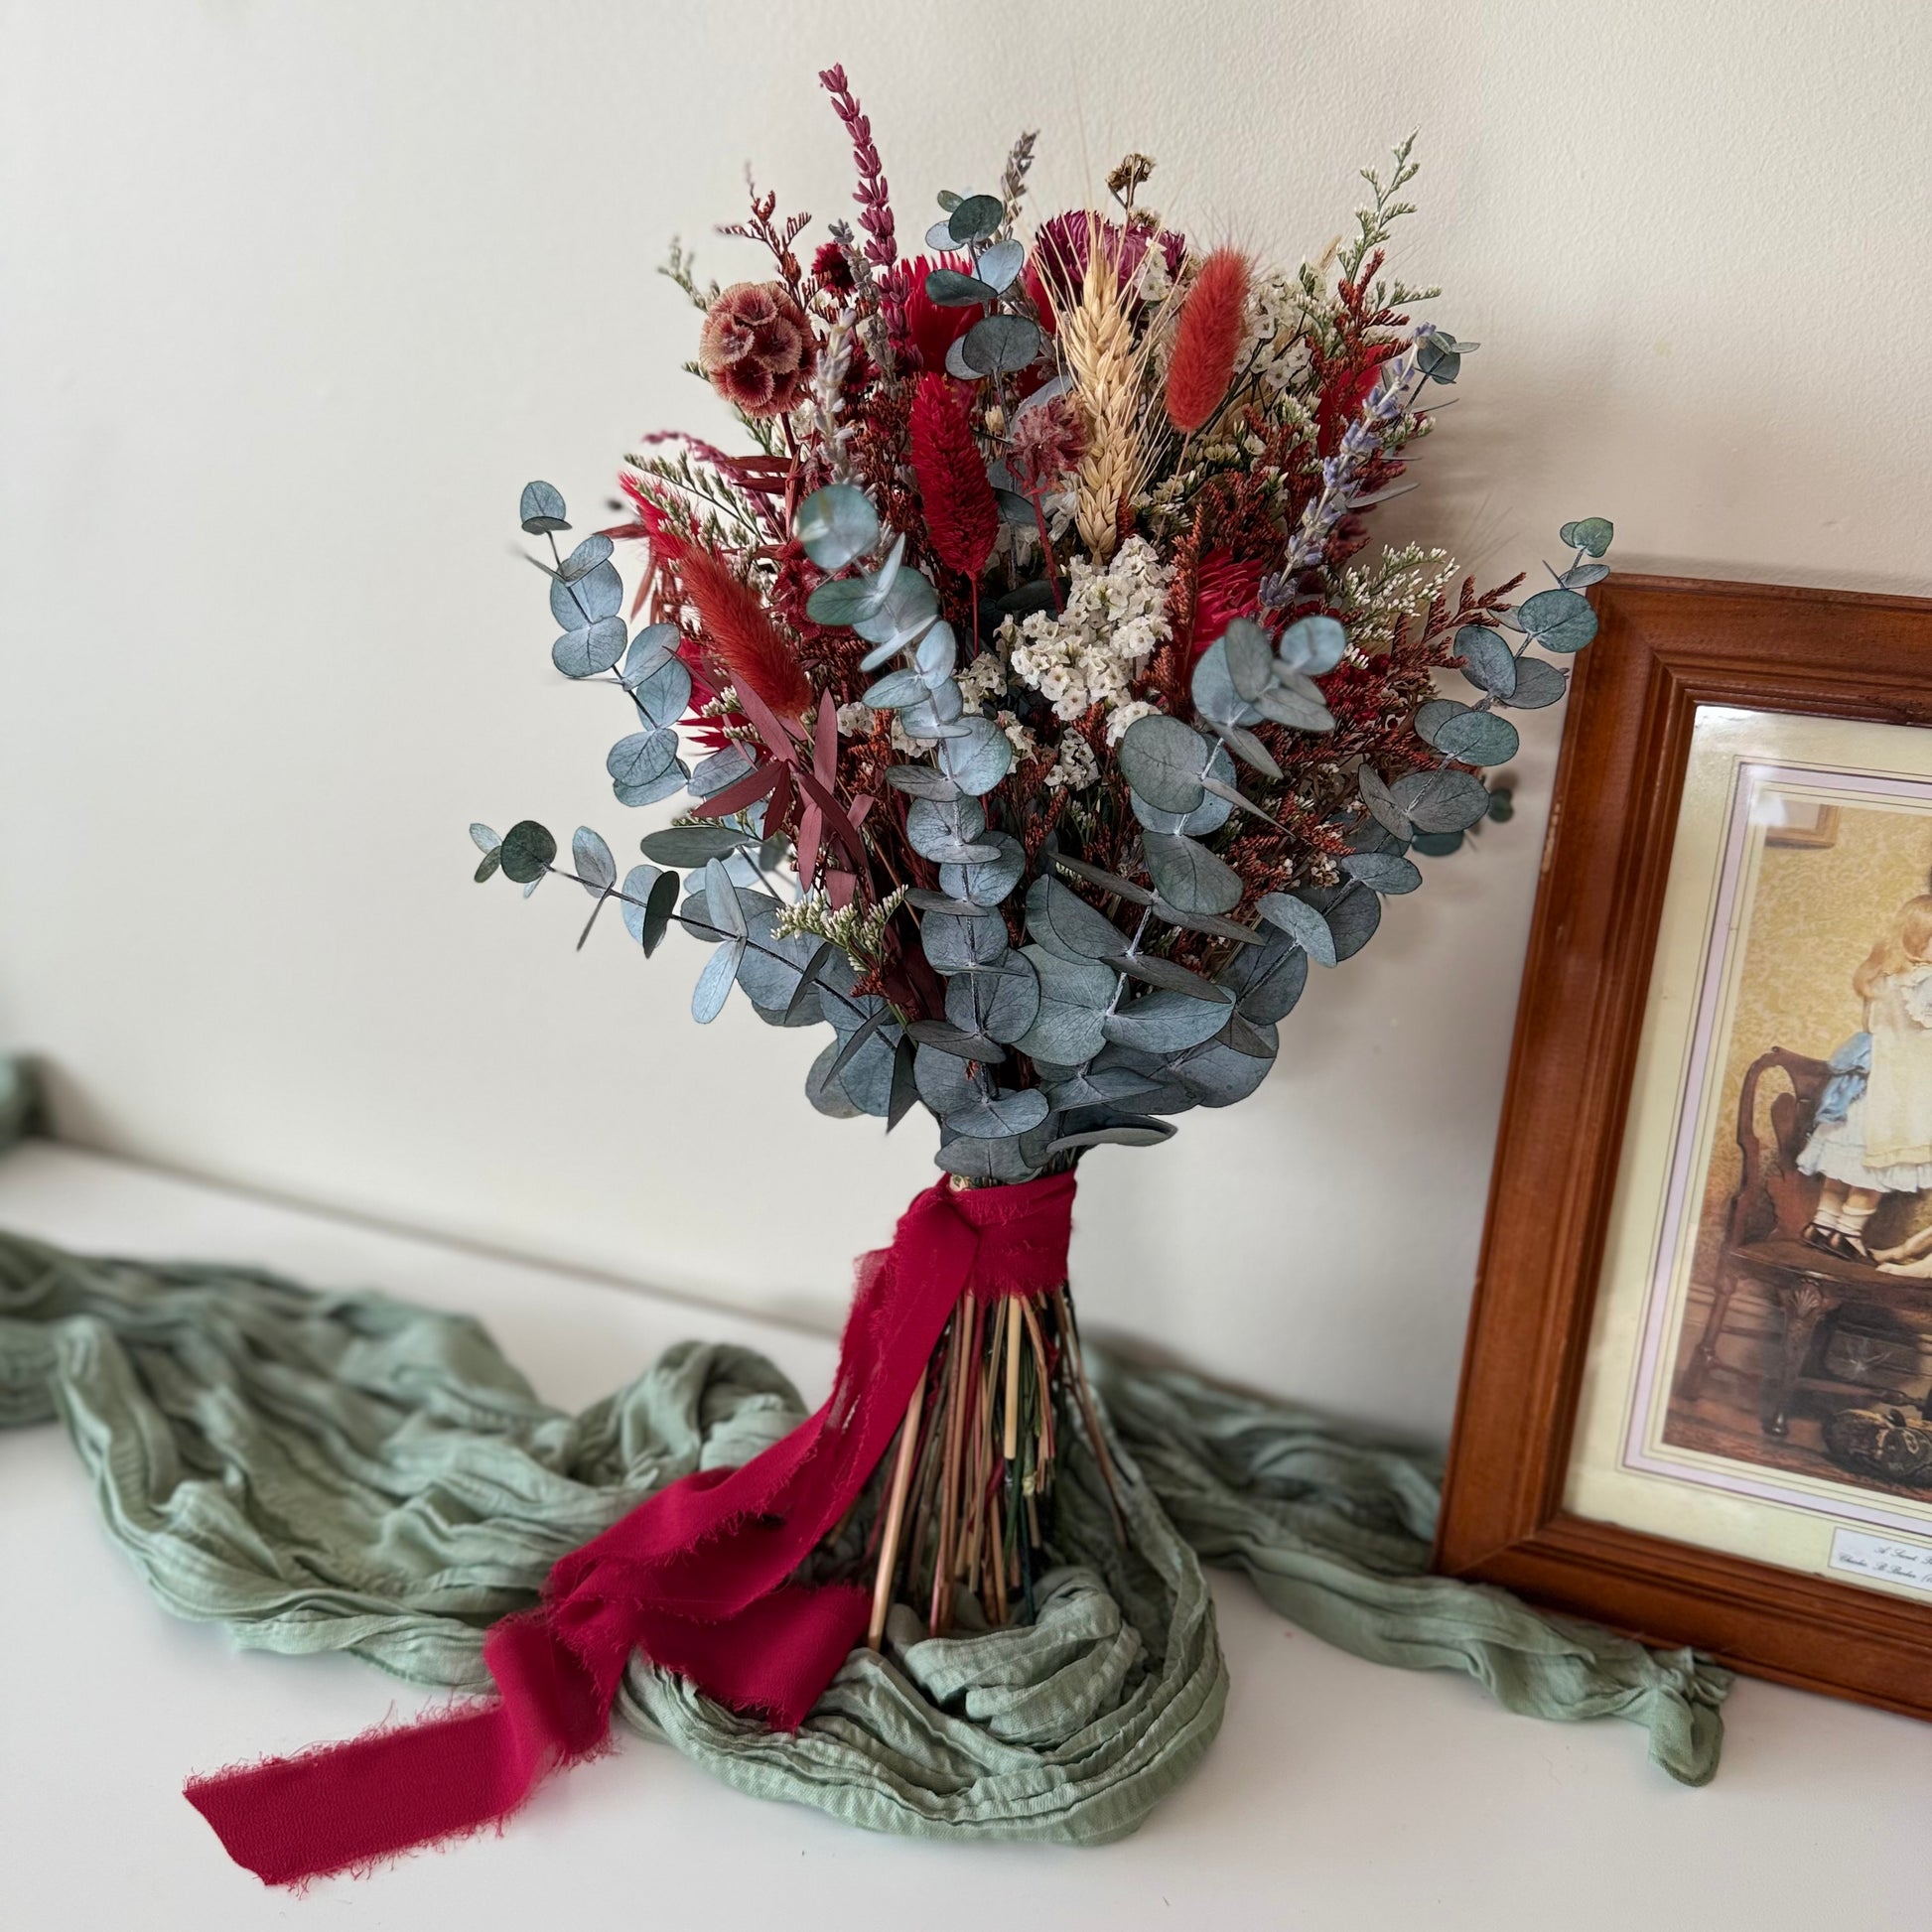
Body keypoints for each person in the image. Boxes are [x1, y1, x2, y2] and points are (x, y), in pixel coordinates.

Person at [1798, 894, 1932, 1261]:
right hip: (1897, 1088)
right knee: (1876, 1161)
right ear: (1920, 937)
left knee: (1846, 1157)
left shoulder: (1884, 975)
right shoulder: (1924, 982)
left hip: (1861, 1085)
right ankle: (1848, 1233)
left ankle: (1821, 1225)